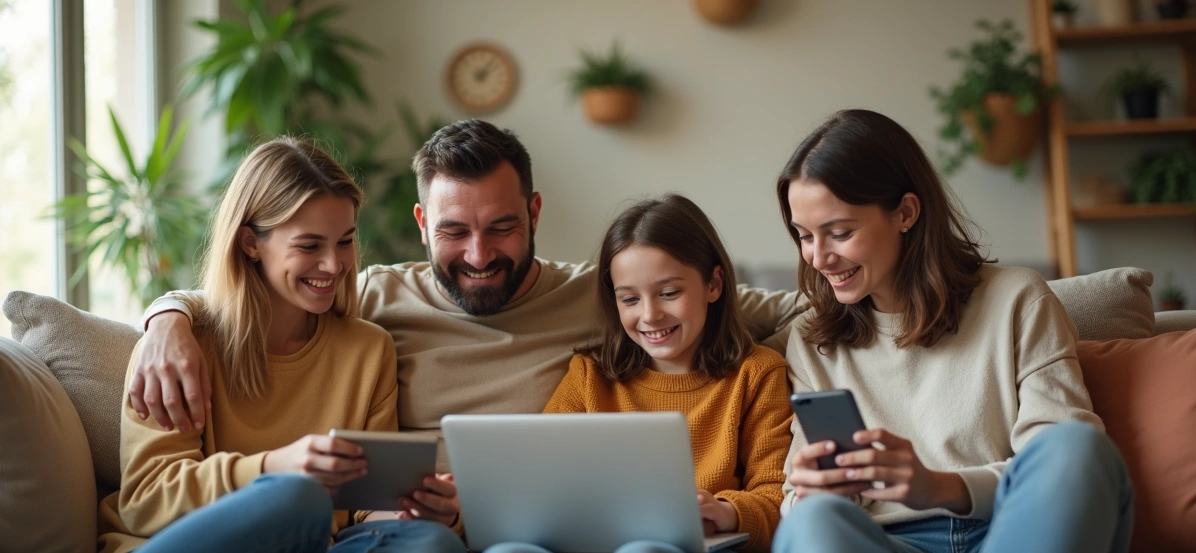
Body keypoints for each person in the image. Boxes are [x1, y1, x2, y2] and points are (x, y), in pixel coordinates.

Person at [130, 119, 802, 524]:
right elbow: (260, 293)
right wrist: (168, 315)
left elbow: (774, 308)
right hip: (407, 528)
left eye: (502, 228)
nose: (479, 255)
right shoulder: (369, 296)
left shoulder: (609, 296)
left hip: (532, 528)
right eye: (455, 231)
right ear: (422, 225)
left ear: (534, 214)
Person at [0, 138, 465, 553]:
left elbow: (362, 502)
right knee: (299, 498)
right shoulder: (178, 349)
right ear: (250, 242)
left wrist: (414, 507)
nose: (334, 265)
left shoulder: (367, 349)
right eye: (309, 245)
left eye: (346, 241)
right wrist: (270, 469)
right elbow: (147, 499)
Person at [769, 109, 1134, 553]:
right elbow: (804, 503)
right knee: (811, 523)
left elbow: (1056, 466)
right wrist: (812, 492)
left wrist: (937, 486)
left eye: (839, 232)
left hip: (1020, 539)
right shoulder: (812, 338)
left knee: (1077, 449)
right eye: (803, 235)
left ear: (906, 212)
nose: (819, 257)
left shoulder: (1017, 298)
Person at [450, 194, 793, 553]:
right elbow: (541, 478)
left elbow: (778, 499)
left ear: (713, 284)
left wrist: (727, 511)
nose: (649, 315)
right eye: (629, 298)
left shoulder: (757, 373)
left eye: (669, 292)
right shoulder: (590, 375)